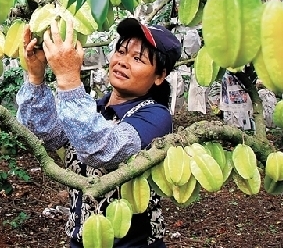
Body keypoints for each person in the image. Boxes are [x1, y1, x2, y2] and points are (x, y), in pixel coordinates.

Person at [16, 17, 182, 248]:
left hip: (134, 244)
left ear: (159, 76)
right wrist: (36, 76)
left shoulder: (156, 117)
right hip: (82, 239)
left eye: (137, 58)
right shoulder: (94, 109)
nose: (123, 62)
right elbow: (45, 134)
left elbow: (104, 149)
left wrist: (68, 79)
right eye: (121, 52)